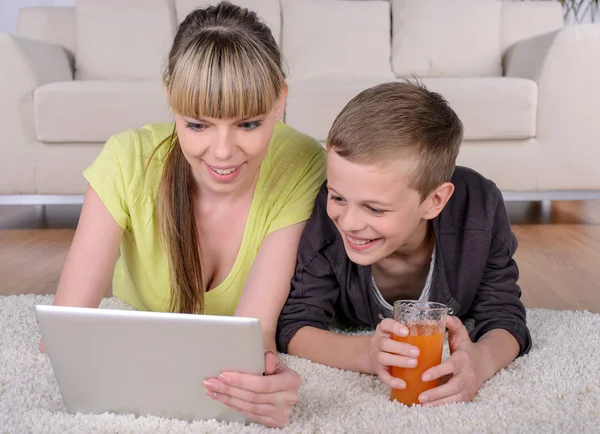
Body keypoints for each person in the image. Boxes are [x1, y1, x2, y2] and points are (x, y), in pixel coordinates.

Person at [45, 1, 326, 428]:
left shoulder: (301, 161)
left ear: (280, 100)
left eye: (249, 124)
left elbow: (255, 331)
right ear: (171, 99)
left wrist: (267, 380)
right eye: (197, 125)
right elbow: (63, 336)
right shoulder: (127, 159)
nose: (222, 151)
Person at [276, 81, 532, 407]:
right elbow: (295, 326)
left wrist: (481, 360)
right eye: (338, 196)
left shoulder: (480, 209)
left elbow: (505, 315)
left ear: (434, 200)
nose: (349, 222)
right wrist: (365, 353)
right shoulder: (325, 221)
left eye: (374, 208)